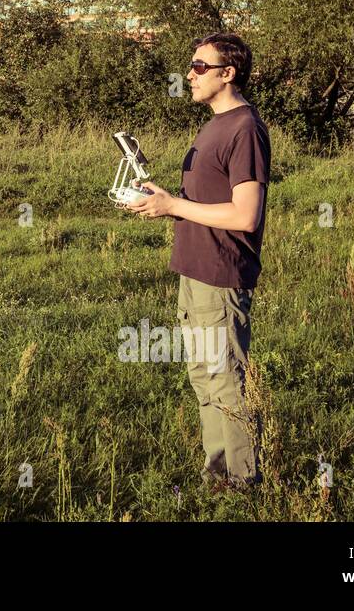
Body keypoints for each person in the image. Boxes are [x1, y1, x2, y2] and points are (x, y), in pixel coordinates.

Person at [128, 33, 270, 492]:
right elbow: (205, 199)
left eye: (199, 67)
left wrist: (174, 207)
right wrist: (162, 200)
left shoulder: (244, 128)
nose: (189, 74)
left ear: (227, 74)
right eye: (190, 66)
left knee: (226, 381)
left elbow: (245, 215)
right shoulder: (215, 123)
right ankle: (217, 478)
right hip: (196, 270)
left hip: (221, 273)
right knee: (205, 378)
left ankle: (245, 484)